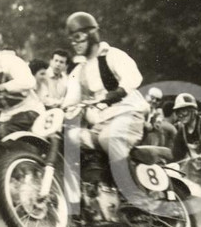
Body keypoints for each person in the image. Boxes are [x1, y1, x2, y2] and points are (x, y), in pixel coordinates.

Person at [62, 11, 148, 157]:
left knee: (107, 138)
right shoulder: (79, 70)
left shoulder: (111, 55)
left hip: (128, 114)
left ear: (91, 34)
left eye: (78, 37)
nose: (75, 44)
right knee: (72, 138)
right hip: (102, 122)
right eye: (72, 40)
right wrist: (63, 111)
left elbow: (133, 77)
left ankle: (126, 179)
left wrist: (118, 92)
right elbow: (71, 100)